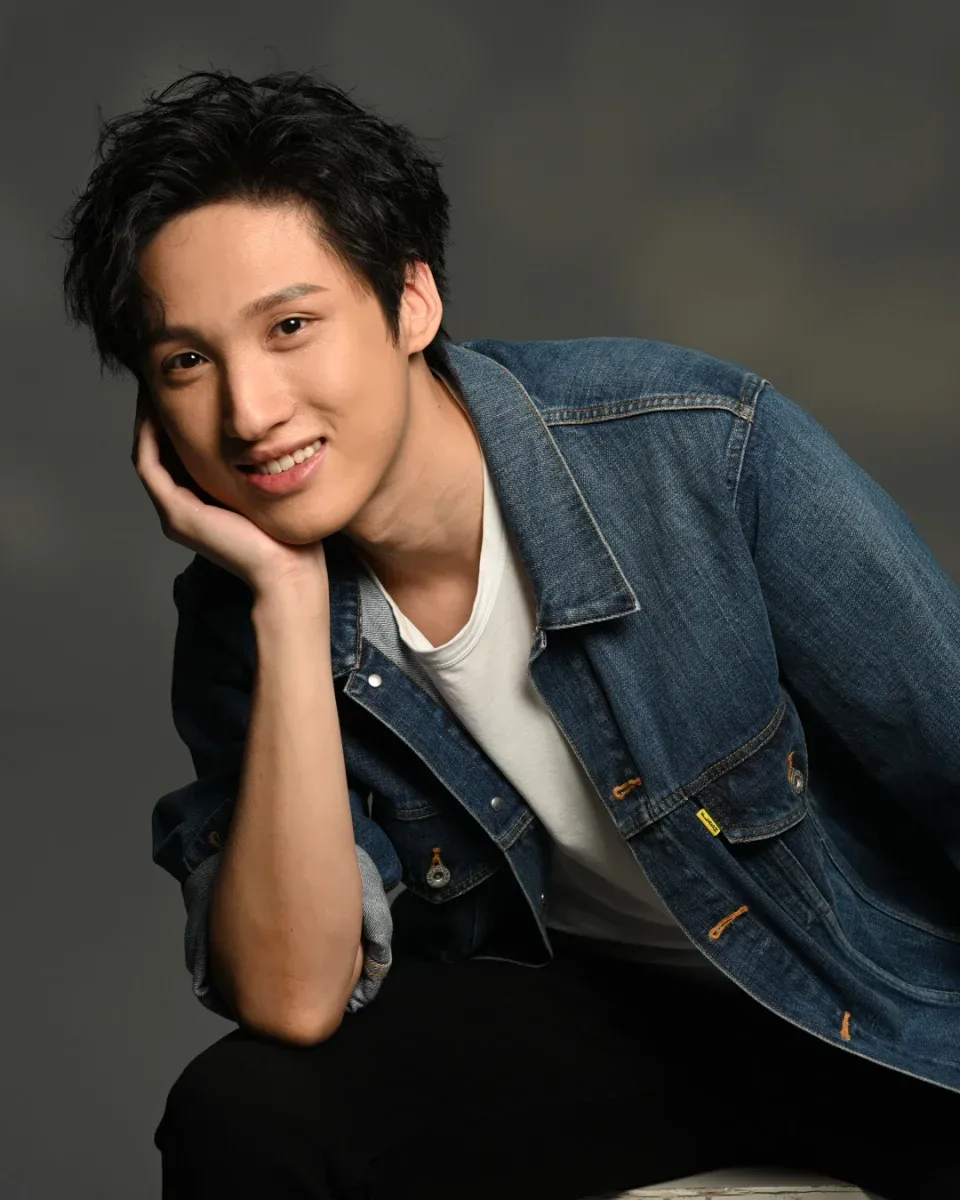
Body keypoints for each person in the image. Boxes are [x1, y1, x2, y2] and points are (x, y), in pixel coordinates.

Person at [58, 68, 960, 1200]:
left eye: (290, 326)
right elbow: (291, 997)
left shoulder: (697, 450)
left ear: (412, 301)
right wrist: (286, 604)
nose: (250, 411)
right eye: (188, 362)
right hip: (625, 1037)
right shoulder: (238, 609)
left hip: (874, 1013)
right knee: (244, 1111)